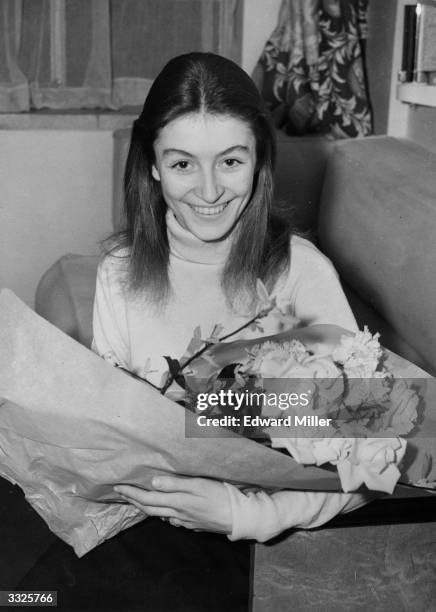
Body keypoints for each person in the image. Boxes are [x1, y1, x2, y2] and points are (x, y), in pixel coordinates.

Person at [92, 51, 372, 544]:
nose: (208, 191)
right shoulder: (117, 271)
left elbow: (380, 454)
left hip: (250, 544)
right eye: (182, 163)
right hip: (136, 521)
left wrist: (253, 515)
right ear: (153, 167)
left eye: (230, 162)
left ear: (258, 159)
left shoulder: (300, 273)